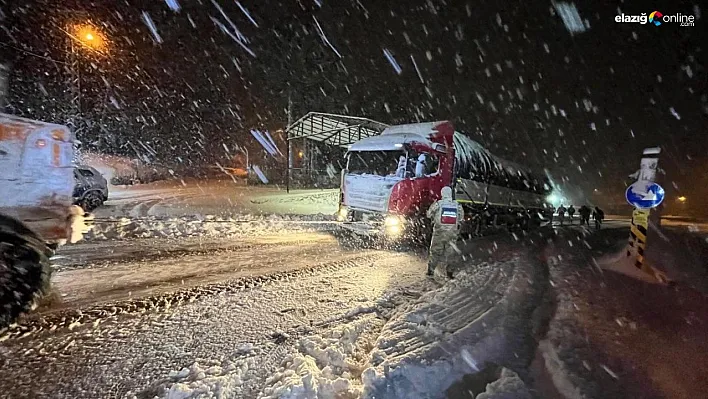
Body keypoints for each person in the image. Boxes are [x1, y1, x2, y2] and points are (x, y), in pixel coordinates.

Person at [426, 186, 463, 277]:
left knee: (435, 252)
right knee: (450, 253)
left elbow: (428, 214)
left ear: (442, 194)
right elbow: (461, 217)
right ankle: (449, 273)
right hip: (452, 233)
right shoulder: (457, 205)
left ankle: (430, 271)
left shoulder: (438, 204)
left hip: (439, 232)